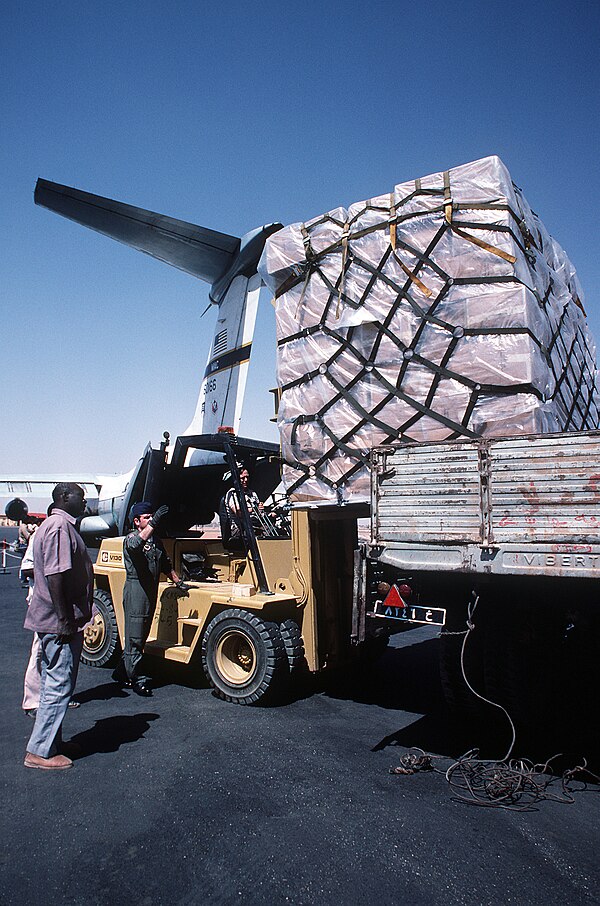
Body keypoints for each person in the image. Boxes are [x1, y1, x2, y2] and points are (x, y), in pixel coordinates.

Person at [23, 483, 93, 771]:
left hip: (60, 620)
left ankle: (53, 742)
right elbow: (56, 576)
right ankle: (40, 751)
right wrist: (64, 620)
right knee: (58, 684)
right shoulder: (58, 527)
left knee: (59, 683)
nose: (85, 499)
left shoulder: (59, 526)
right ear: (64, 497)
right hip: (58, 622)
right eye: (80, 495)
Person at [112, 502, 181, 697]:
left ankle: (121, 671)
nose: (151, 520)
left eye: (152, 516)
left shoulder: (155, 540)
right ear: (136, 521)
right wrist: (155, 522)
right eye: (147, 517)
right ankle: (137, 679)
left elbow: (165, 563)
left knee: (141, 635)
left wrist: (177, 581)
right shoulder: (132, 538)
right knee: (135, 636)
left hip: (150, 589)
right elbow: (136, 546)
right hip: (136, 589)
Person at [20, 510, 81, 718]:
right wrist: (49, 572)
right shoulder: (47, 533)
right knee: (39, 652)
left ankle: (52, 697)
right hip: (45, 602)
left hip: (58, 602)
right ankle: (33, 700)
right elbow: (27, 567)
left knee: (54, 658)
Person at [223, 467, 264, 542]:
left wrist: (263, 510)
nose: (246, 480)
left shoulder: (252, 494)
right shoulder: (232, 494)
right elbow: (239, 512)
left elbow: (259, 513)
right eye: (242, 478)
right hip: (240, 530)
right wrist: (254, 509)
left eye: (247, 477)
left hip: (255, 526)